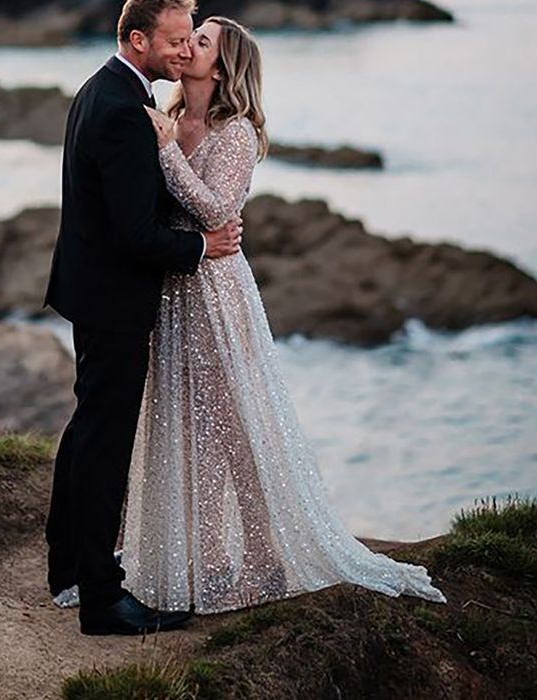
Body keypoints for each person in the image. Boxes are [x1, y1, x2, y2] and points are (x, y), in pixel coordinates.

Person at [121, 16, 448, 613]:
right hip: (170, 290)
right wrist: (163, 148)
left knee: (234, 430)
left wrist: (168, 154)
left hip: (216, 296)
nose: (185, 44)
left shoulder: (236, 133)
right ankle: (210, 558)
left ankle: (267, 558)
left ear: (220, 66)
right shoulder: (167, 119)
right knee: (187, 425)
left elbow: (219, 209)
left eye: (199, 41)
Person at [43, 0, 242, 635]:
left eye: (193, 42)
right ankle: (102, 597)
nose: (185, 52)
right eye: (177, 41)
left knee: (87, 428)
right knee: (104, 442)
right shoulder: (126, 112)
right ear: (139, 40)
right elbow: (134, 233)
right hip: (113, 298)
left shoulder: (98, 88)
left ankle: (70, 567)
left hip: (89, 290)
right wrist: (199, 247)